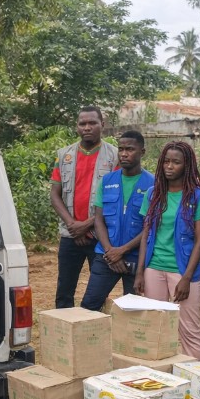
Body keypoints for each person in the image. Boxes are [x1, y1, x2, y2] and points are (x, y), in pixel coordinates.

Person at [134, 141, 200, 360]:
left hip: (182, 271)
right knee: (154, 325)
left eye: (176, 162)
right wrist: (140, 271)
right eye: (166, 161)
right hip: (154, 268)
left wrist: (186, 277)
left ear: (186, 166)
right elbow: (146, 234)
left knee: (188, 329)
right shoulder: (153, 194)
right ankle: (158, 374)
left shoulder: (197, 197)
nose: (169, 166)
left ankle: (196, 379)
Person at [50, 106, 119, 309]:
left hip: (98, 237)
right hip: (70, 235)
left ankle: (92, 332)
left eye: (92, 123)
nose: (87, 127)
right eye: (83, 124)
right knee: (64, 290)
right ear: (77, 127)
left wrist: (87, 226)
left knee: (97, 291)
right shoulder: (64, 155)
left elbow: (114, 200)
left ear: (102, 125)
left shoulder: (114, 157)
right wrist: (73, 225)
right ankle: (63, 332)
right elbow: (55, 194)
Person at [79, 131, 154, 311]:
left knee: (135, 313)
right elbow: (98, 220)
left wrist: (123, 250)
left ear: (142, 152)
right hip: (106, 256)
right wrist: (110, 252)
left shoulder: (154, 184)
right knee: (88, 307)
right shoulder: (107, 180)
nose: (124, 154)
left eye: (130, 149)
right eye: (121, 149)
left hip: (138, 258)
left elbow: (150, 226)